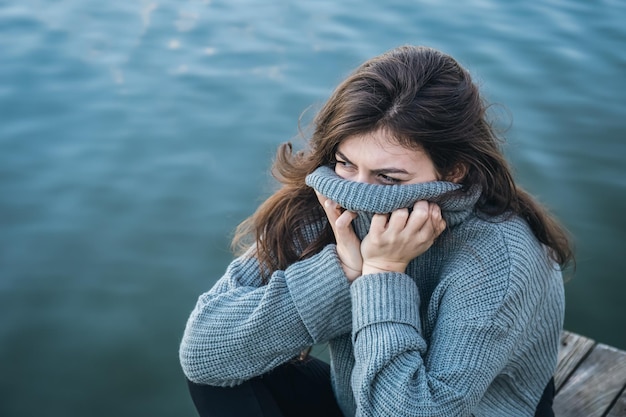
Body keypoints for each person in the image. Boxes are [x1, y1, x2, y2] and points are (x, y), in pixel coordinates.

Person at [179, 45, 572, 417]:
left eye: (387, 177)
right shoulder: (330, 201)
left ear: (453, 171)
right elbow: (202, 352)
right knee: (220, 377)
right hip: (357, 399)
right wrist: (342, 273)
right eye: (346, 163)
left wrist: (382, 274)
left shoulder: (499, 257)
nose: (357, 195)